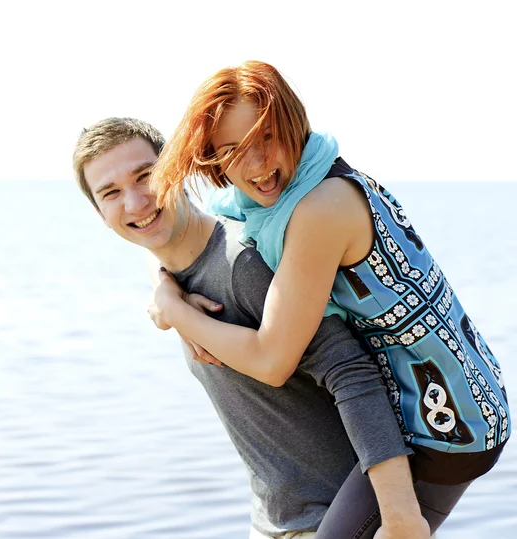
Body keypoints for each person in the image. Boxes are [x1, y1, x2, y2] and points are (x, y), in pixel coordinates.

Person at [148, 60, 510, 493]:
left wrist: (174, 310)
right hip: (475, 398)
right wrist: (161, 278)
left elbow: (272, 361)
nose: (258, 163)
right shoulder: (285, 191)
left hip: (448, 430)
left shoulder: (320, 208)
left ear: (294, 124)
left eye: (267, 136)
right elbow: (190, 233)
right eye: (233, 149)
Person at [72, 117, 437, 539]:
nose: (134, 203)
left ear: (175, 171)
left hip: (334, 517)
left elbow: (350, 371)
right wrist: (164, 296)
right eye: (111, 193)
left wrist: (398, 517)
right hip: (272, 521)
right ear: (100, 213)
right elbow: (157, 249)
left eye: (145, 176)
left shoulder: (243, 262)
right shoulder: (176, 274)